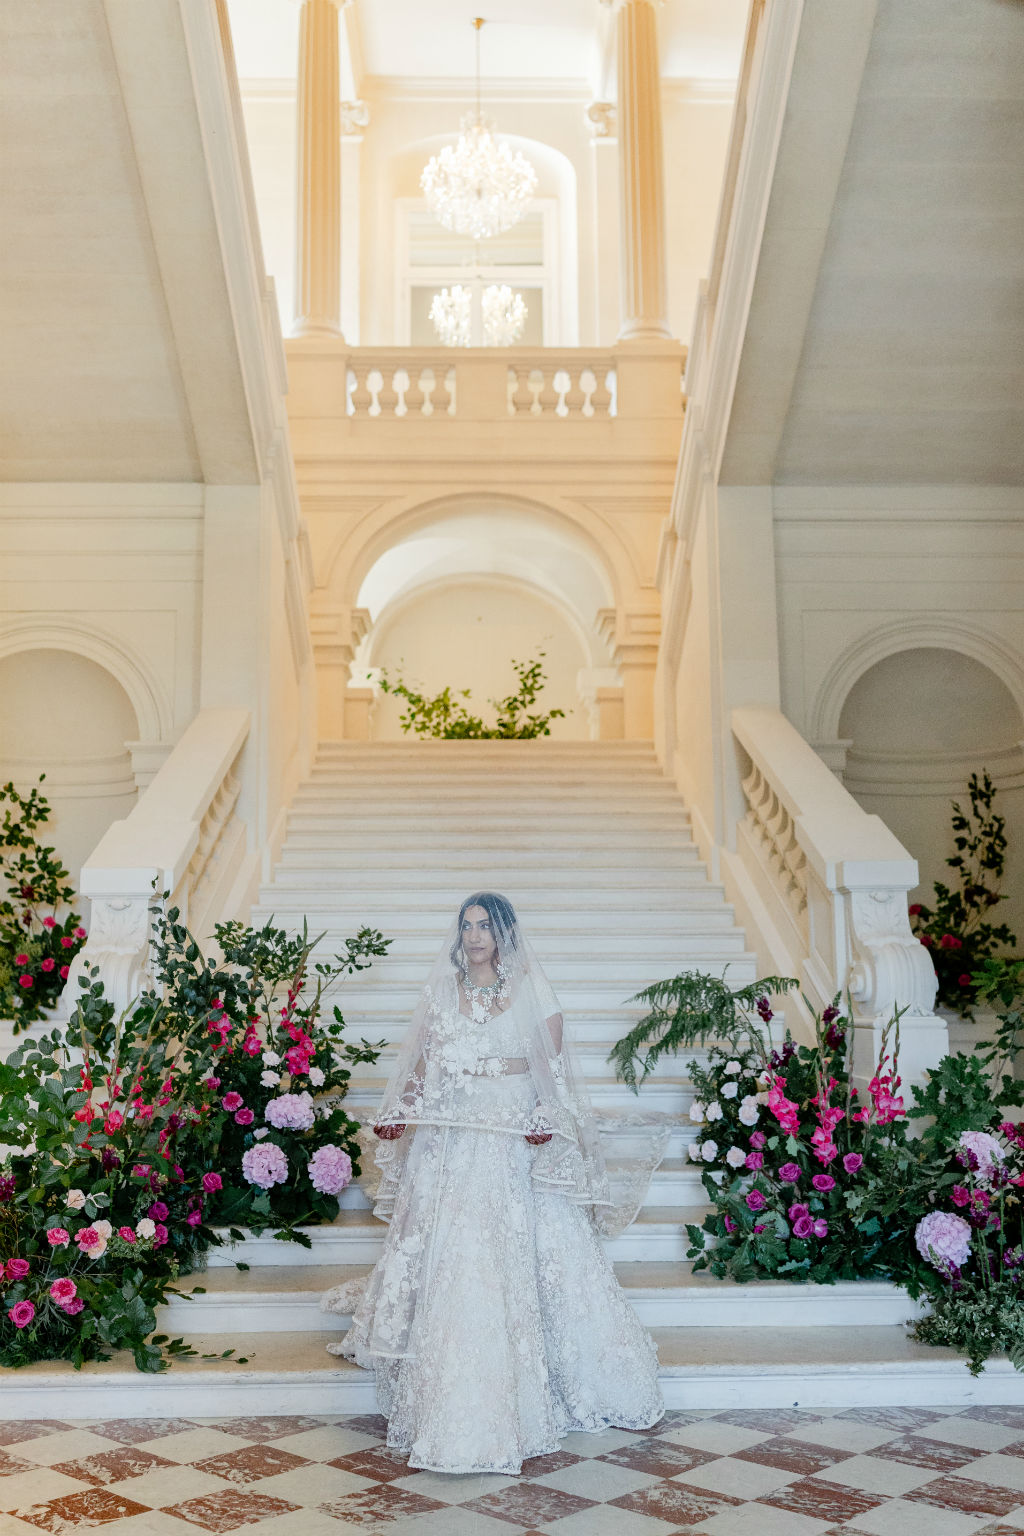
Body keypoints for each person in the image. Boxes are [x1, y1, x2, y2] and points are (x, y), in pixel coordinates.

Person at [327, 890, 665, 1475]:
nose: (475, 936)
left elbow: (550, 1072)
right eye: (467, 926)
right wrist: (402, 1108)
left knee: (517, 1245)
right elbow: (423, 1065)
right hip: (453, 1135)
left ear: (504, 933)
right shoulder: (443, 992)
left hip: (510, 1134)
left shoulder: (533, 990)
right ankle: (452, 1377)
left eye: (485, 925)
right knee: (458, 1252)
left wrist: (542, 1115)